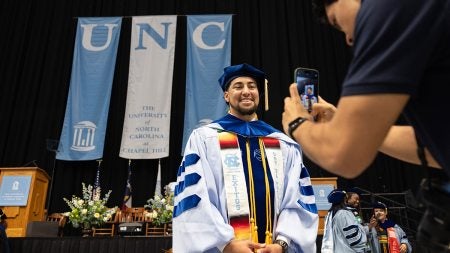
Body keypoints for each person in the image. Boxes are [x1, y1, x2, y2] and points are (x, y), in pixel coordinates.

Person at [282, 0, 450, 248]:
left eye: (338, 24)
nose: (348, 39)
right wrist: (360, 129)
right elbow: (435, 147)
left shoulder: (388, 8)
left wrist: (297, 123)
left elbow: (344, 156)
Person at [173, 63, 319, 253]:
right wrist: (227, 245)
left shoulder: (283, 143)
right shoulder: (205, 138)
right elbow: (195, 199)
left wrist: (281, 245)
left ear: (259, 93)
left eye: (252, 86)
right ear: (226, 95)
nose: (246, 91)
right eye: (238, 86)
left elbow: (297, 200)